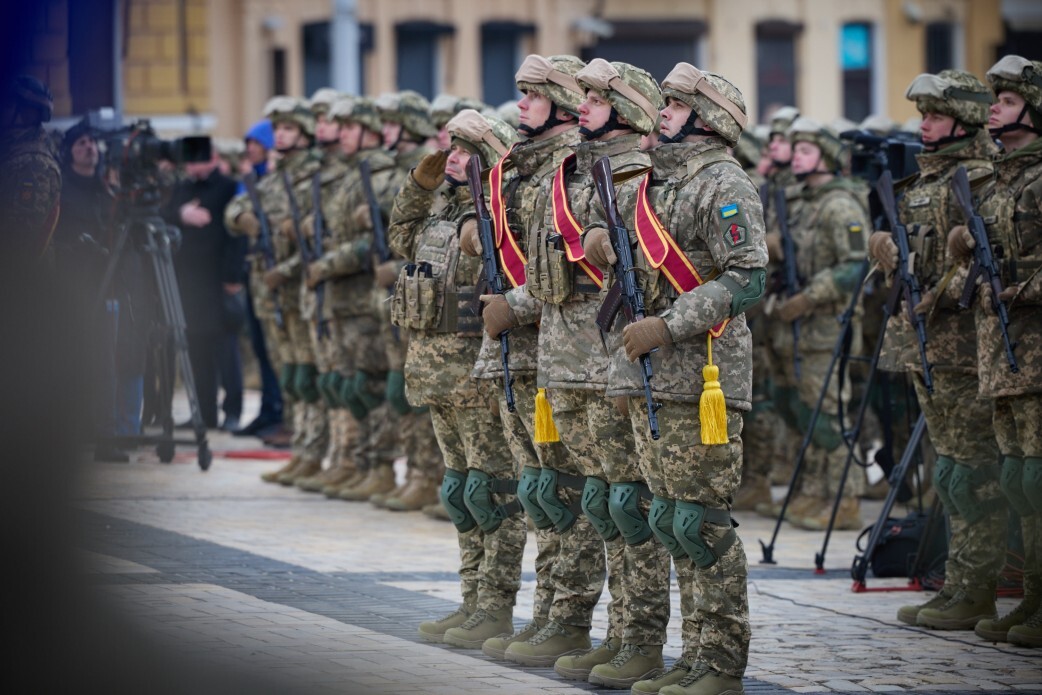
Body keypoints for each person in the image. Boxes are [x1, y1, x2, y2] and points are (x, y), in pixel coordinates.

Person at [584, 62, 767, 695]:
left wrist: (669, 326)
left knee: (700, 523)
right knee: (665, 517)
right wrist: (602, 237)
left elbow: (748, 276)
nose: (663, 110)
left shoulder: (723, 183)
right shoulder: (652, 185)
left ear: (709, 118)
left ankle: (720, 663)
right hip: (648, 375)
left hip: (701, 375)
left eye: (678, 104)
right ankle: (690, 657)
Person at [510, 58, 671, 688]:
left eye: (599, 99)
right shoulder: (568, 175)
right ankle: (573, 621)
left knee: (628, 504)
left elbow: (654, 273)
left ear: (627, 110)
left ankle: (638, 638)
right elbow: (543, 271)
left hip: (612, 357)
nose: (585, 106)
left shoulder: (637, 175)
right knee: (583, 501)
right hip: (563, 356)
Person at [463, 54, 604, 667]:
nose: (519, 105)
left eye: (531, 95)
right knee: (537, 488)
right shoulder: (517, 170)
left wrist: (516, 307)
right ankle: (548, 611)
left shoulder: (574, 170)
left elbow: (573, 269)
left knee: (567, 489)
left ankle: (569, 617)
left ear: (563, 102)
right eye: (519, 94)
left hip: (564, 349)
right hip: (524, 352)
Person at [867, 69, 1004, 631]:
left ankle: (977, 587)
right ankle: (960, 583)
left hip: (966, 347)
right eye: (923, 115)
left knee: (975, 473)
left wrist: (945, 286)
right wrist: (880, 249)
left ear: (965, 121)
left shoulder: (978, 179)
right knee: (949, 471)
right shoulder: (922, 183)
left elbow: (984, 261)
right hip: (925, 349)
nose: (924, 125)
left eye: (937, 115)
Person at [390, 109, 525, 647]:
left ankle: (495, 607)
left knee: (491, 490)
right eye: (452, 149)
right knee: (459, 491)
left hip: (477, 372)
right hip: (433, 370)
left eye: (467, 152)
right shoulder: (440, 209)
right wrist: (419, 182)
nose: (454, 160)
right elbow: (400, 234)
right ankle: (470, 601)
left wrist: (481, 214)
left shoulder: (498, 209)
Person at [949, 55, 1042, 648]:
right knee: (1016, 480)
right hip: (1001, 357)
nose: (995, 112)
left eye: (1006, 102)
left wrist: (1018, 289)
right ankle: (1030, 598)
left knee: (1035, 480)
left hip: (1034, 354)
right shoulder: (1004, 180)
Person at [764, 118, 870, 530]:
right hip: (792, 325)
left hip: (827, 323)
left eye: (807, 151)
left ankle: (845, 498)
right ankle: (814, 490)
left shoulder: (840, 204)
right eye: (798, 151)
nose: (798, 157)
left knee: (828, 413)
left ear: (826, 158)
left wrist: (811, 296)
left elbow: (855, 265)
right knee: (797, 409)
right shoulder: (799, 201)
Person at [226, 97, 326, 484]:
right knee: (290, 376)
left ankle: (318, 451)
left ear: (302, 133)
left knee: (310, 377)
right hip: (269, 291)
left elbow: (316, 237)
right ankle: (302, 448)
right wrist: (244, 218)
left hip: (301, 288)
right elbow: (234, 209)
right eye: (278, 129)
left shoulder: (313, 175)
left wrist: (285, 270)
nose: (280, 135)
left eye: (287, 128)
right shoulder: (269, 176)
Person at [306, 96, 400, 502]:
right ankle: (357, 461)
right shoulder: (349, 175)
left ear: (370, 132)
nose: (341, 135)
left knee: (373, 386)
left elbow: (374, 244)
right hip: (342, 300)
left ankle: (379, 466)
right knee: (350, 386)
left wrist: (329, 263)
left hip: (365, 296)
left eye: (348, 128)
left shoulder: (382, 178)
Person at [163, 148, 242, 430]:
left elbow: (237, 233)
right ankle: (205, 413)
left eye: (201, 158)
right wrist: (181, 214)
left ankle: (232, 412)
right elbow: (163, 217)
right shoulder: (181, 189)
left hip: (219, 279)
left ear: (215, 157)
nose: (195, 165)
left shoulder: (229, 187)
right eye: (192, 159)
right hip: (189, 281)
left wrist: (233, 275)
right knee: (196, 349)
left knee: (226, 350)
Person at [233, 117, 284, 438]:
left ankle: (279, 411)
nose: (252, 149)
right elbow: (233, 213)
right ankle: (267, 409)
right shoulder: (251, 180)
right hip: (254, 272)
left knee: (278, 349)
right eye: (249, 144)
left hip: (276, 274)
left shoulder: (276, 180)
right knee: (260, 346)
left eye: (257, 144)